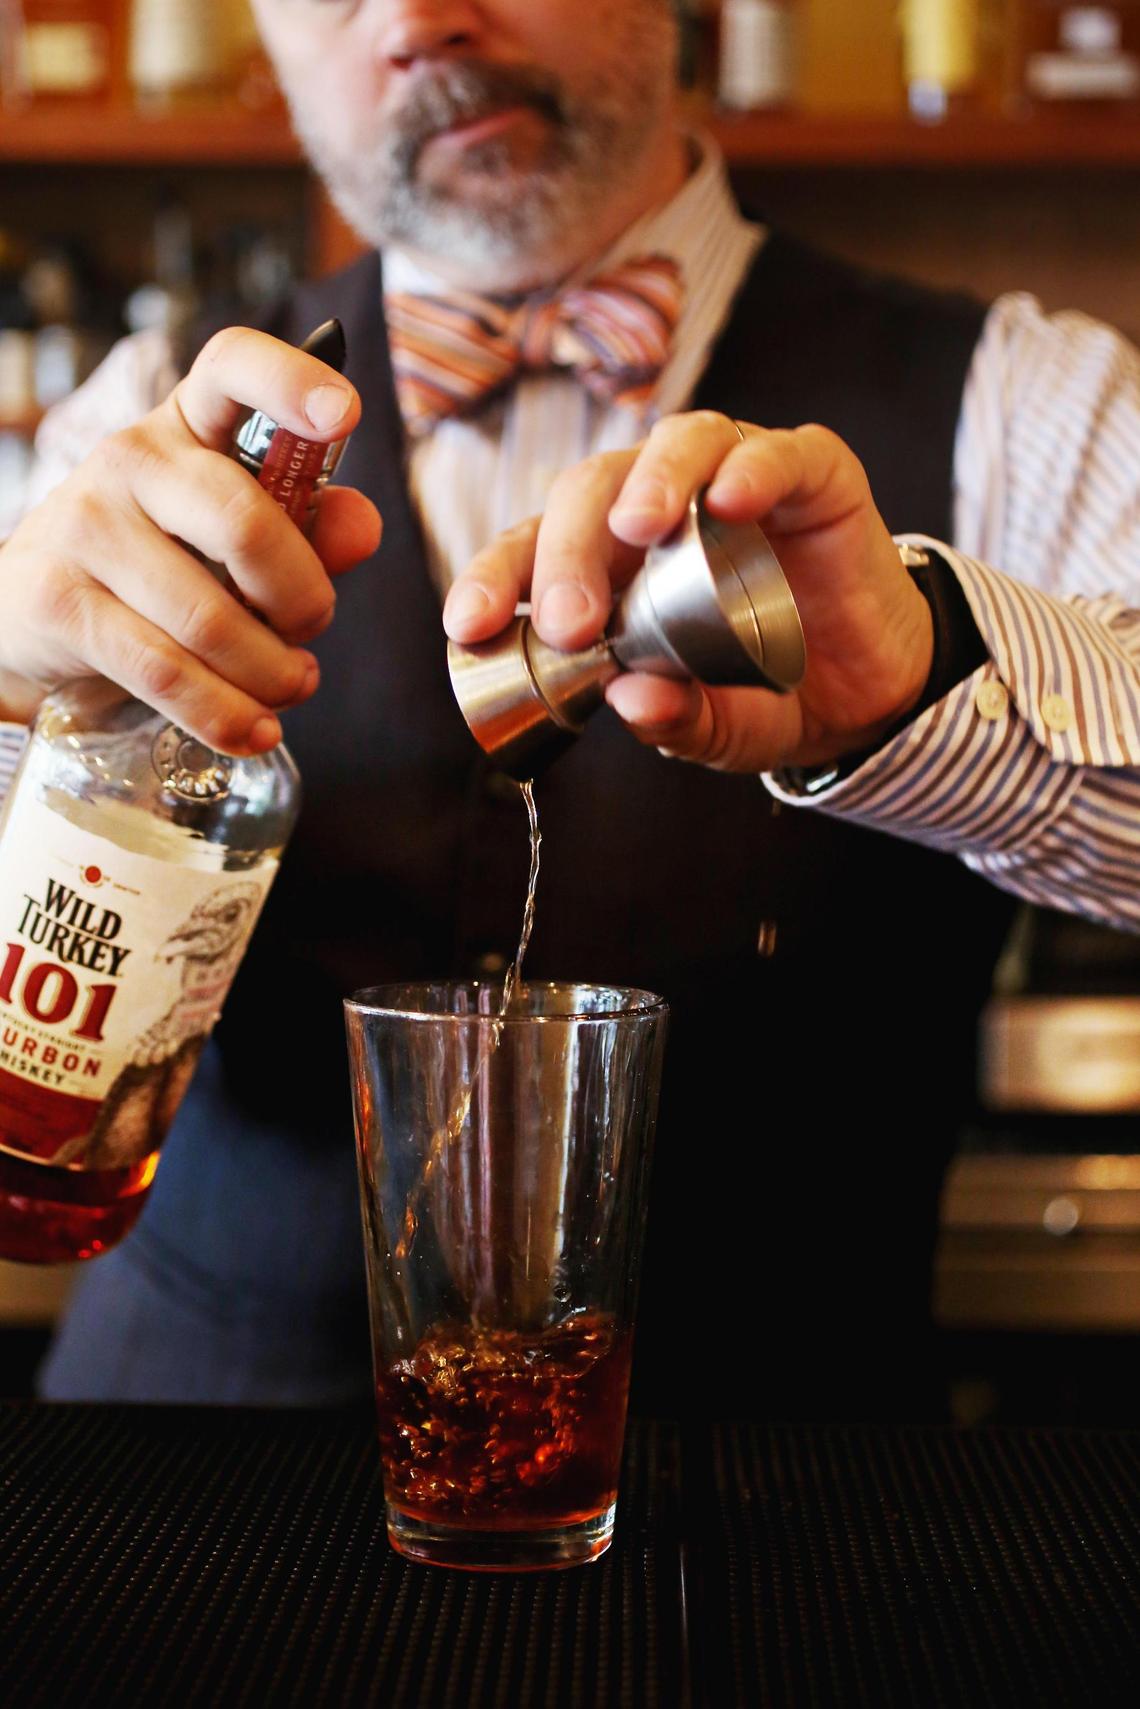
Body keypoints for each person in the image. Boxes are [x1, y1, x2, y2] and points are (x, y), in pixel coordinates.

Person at [2, 0, 1137, 1414]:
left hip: (781, 1529)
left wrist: (918, 688)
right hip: (186, 1494)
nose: (418, 17)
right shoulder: (115, 433)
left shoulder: (1033, 402)